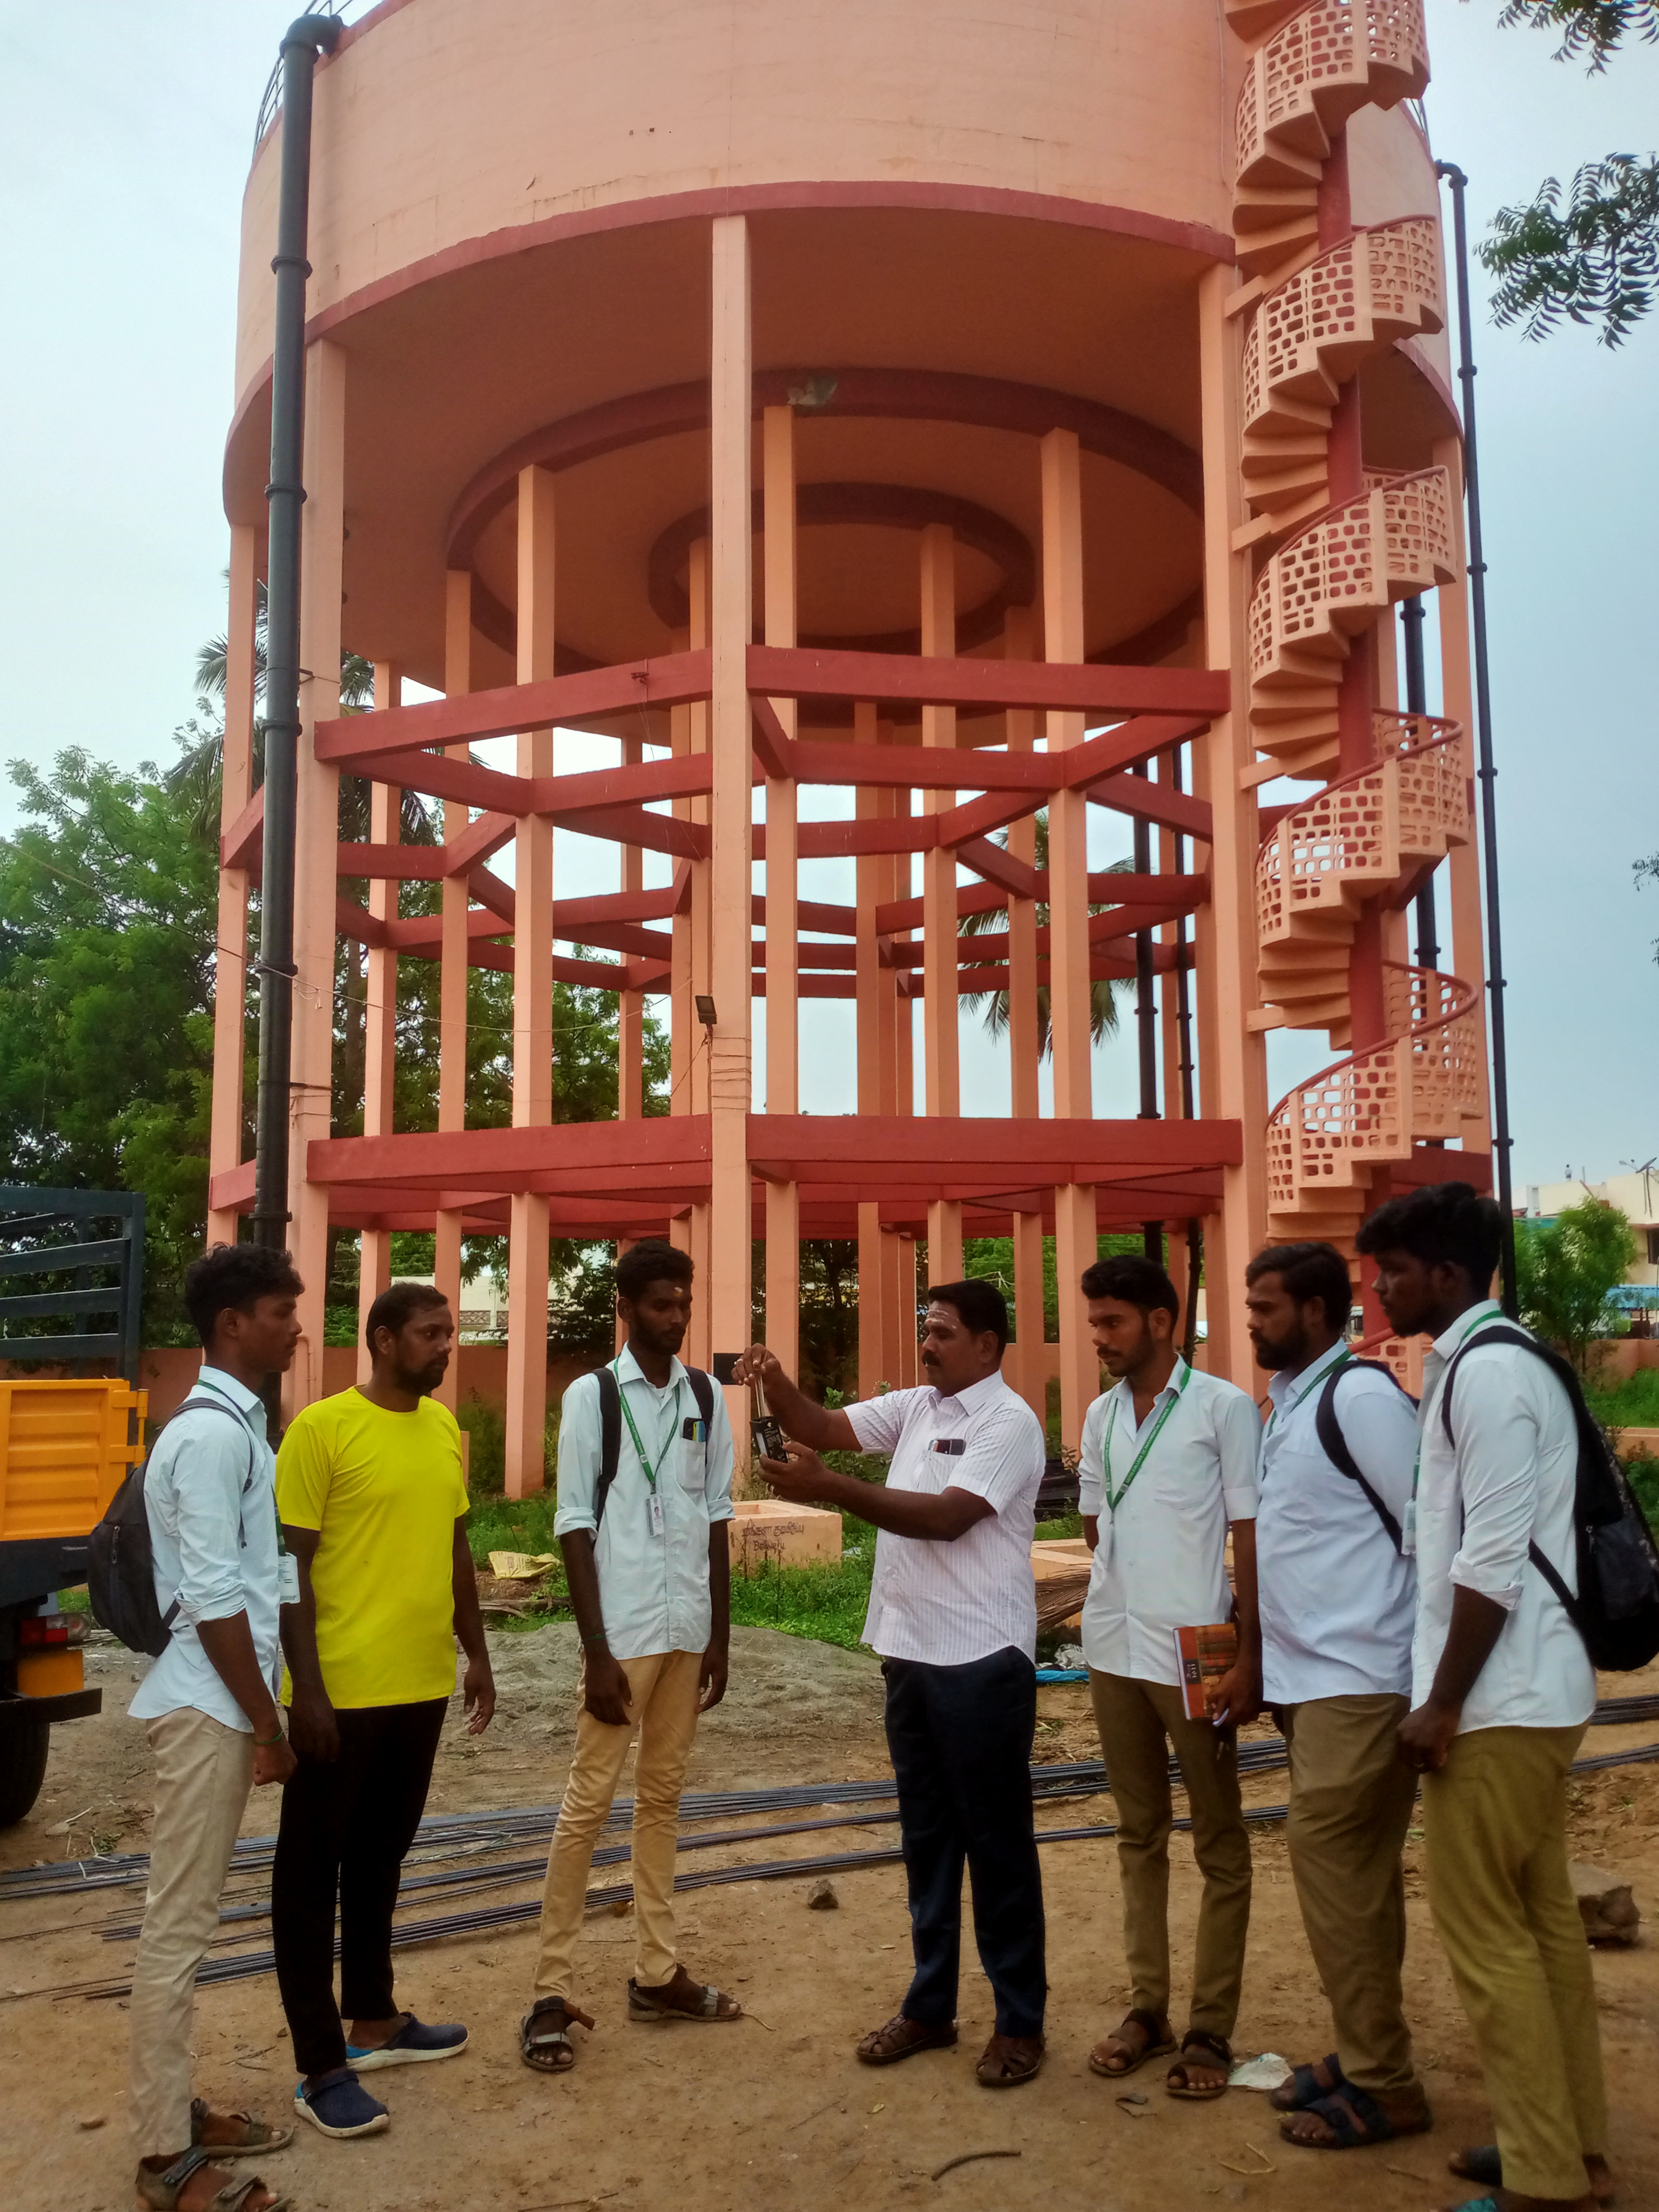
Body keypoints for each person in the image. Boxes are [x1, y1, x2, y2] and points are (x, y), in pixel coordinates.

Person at [1357, 1183, 1613, 2212]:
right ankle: (1569, 2145)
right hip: (1531, 1690)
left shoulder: (1490, 1374)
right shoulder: (1491, 1362)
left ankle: (1547, 2176)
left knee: (1486, 1931)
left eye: (1394, 1272)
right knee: (1542, 1923)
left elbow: (1493, 1561)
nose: (1380, 1290)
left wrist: (1441, 1703)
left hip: (1500, 1700)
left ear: (1448, 1273)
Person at [737, 1278, 1049, 2088]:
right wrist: (774, 1380)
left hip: (980, 1661)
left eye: (943, 1333)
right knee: (927, 1841)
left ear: (988, 1345)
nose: (928, 1344)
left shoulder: (1008, 1422)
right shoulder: (917, 1407)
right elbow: (821, 1427)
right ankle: (931, 2007)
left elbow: (946, 1518)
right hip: (910, 1655)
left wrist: (830, 1490)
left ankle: (1019, 2021)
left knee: (997, 1845)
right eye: (925, 1329)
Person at [272, 1282, 494, 2141]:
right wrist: (307, 1690)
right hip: (341, 1693)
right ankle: (320, 2067)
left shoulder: (439, 1427)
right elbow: (289, 1568)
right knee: (308, 1876)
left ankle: (373, 2019)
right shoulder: (322, 1430)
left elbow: (455, 1545)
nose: (446, 1346)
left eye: (449, 1332)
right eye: (431, 1333)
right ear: (383, 1339)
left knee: (381, 1857)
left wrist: (476, 1652)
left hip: (419, 1685)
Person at [520, 1240, 739, 2073]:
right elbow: (574, 1523)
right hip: (624, 1638)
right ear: (626, 1308)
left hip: (686, 1631)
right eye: (660, 1304)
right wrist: (596, 1651)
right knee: (587, 1805)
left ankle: (656, 1972)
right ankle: (550, 1991)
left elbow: (717, 1514)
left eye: (684, 1303)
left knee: (663, 1800)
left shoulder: (704, 1396)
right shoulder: (594, 1397)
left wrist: (719, 1635)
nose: (676, 1317)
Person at [1244, 1240, 1431, 2153]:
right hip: (1314, 1682)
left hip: (1362, 1678)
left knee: (1331, 1863)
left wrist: (1432, 1685)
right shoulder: (1293, 1403)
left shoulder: (1360, 1400)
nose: (1252, 1324)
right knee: (1359, 1881)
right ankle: (1365, 2054)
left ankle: (1385, 2083)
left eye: (1267, 1309)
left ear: (1316, 1312)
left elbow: (1429, 1530)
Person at [128, 1242, 302, 2212]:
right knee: (179, 1930)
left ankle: (175, 2114)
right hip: (207, 1706)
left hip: (218, 1699)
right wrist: (268, 1727)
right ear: (233, 1325)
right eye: (282, 1313)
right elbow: (213, 1601)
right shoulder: (209, 1438)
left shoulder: (238, 1429)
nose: (297, 1330)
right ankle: (165, 2159)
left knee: (185, 1924)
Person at [1077, 1252, 1261, 2101]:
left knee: (1220, 1840)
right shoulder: (1100, 1415)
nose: (1098, 1337)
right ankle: (1147, 2009)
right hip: (1113, 1646)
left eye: (1111, 1322)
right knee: (1138, 1832)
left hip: (1198, 1651)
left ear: (1160, 1321)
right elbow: (1094, 1523)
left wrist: (1251, 1653)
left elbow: (1248, 1534)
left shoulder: (1223, 1409)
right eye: (1094, 1322)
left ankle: (1210, 2028)